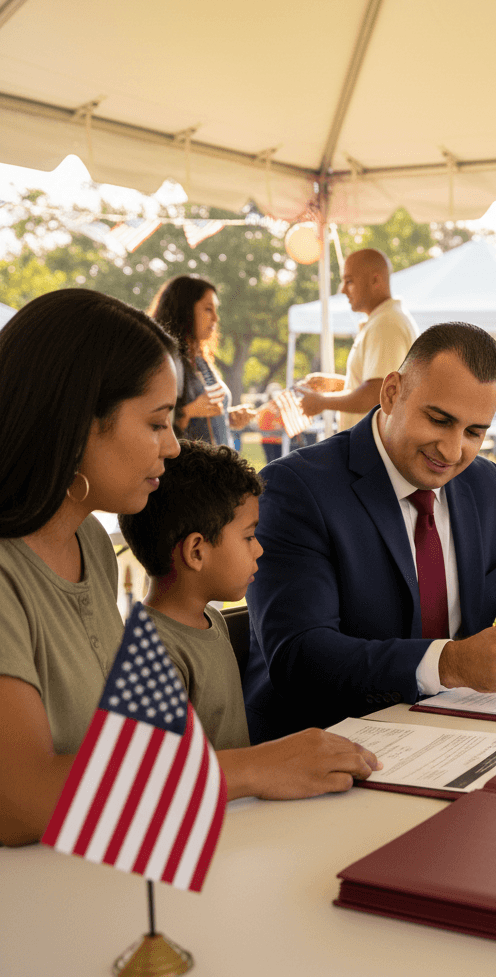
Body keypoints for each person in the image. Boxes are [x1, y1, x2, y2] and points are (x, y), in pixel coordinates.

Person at [0, 289, 379, 847]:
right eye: (156, 424)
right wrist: (250, 768)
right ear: (78, 421)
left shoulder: (89, 542)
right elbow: (21, 800)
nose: (175, 447)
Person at [244, 322, 496, 742]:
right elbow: (298, 655)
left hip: (457, 734)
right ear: (391, 393)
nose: (453, 450)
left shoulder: (485, 485)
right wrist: (449, 663)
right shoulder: (296, 489)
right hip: (325, 743)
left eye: (475, 432)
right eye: (439, 420)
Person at [118, 441, 263, 750]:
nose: (259, 549)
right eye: (248, 537)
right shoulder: (155, 652)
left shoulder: (210, 618)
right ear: (196, 551)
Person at [297, 248, 418, 430]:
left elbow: (376, 393)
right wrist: (336, 384)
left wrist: (322, 401)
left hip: (377, 449)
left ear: (375, 280)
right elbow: (375, 384)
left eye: (349, 281)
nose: (343, 289)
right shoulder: (384, 319)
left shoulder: (385, 324)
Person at [149, 275, 254, 447]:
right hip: (187, 468)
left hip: (215, 467)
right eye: (208, 309)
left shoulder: (200, 360)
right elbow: (151, 423)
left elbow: (204, 416)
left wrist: (227, 418)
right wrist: (188, 412)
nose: (215, 318)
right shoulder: (166, 360)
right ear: (185, 311)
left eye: (215, 310)